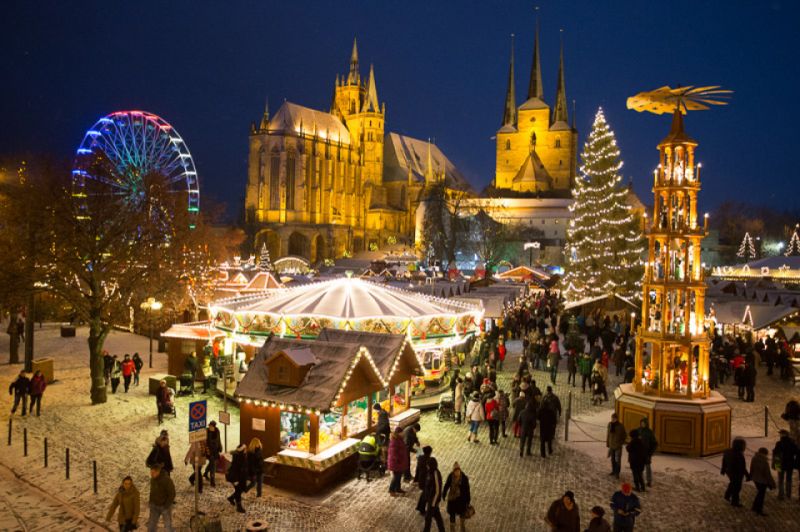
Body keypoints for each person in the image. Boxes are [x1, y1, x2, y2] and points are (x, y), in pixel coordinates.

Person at [442, 462, 470, 532]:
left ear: (460, 470)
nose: (457, 472)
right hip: (452, 500)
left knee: (462, 515)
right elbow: (446, 485)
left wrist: (468, 500)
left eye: (458, 471)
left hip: (461, 500)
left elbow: (467, 490)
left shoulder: (464, 478)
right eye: (455, 471)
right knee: (452, 515)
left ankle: (462, 529)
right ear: (453, 471)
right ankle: (452, 530)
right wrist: (444, 494)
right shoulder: (450, 476)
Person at [721, 437, 749, 507]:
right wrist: (747, 475)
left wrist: (723, 470)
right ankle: (735, 502)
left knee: (732, 483)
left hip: (729, 472)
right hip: (737, 473)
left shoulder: (727, 451)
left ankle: (727, 495)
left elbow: (724, 461)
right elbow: (742, 467)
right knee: (737, 488)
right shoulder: (739, 455)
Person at [146, 464, 175, 532]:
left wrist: (166, 505)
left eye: (153, 472)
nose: (151, 474)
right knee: (151, 525)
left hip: (164, 507)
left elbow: (172, 494)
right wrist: (151, 502)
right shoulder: (153, 479)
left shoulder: (166, 480)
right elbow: (152, 491)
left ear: (158, 471)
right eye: (151, 472)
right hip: (154, 506)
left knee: (168, 526)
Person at [773, 429, 798, 500]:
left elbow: (776, 454)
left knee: (781, 479)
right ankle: (788, 494)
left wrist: (776, 465)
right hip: (790, 463)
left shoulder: (779, 443)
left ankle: (781, 495)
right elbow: (796, 452)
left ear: (784, 434)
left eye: (780, 433)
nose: (780, 435)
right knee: (789, 479)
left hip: (780, 464)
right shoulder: (792, 443)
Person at [750, 446, 775, 516]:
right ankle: (758, 510)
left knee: (759, 494)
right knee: (761, 496)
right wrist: (772, 483)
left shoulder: (754, 458)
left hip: (755, 479)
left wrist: (750, 476)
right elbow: (767, 474)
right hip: (762, 481)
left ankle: (754, 507)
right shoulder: (765, 462)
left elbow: (751, 468)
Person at [422, 457, 445, 532]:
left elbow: (437, 490)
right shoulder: (430, 472)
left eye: (428, 465)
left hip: (433, 501)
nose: (427, 466)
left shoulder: (435, 474)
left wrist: (433, 503)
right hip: (430, 500)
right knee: (437, 516)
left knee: (428, 518)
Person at [226, 444, 249, 513]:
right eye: (245, 448)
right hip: (237, 478)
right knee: (238, 491)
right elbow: (236, 469)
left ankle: (231, 498)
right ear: (243, 450)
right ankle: (239, 507)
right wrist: (236, 480)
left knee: (239, 490)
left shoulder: (241, 456)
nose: (246, 450)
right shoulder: (239, 457)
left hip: (240, 478)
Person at [387, 427, 409, 495]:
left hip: (399, 462)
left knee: (399, 476)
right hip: (396, 463)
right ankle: (391, 490)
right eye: (402, 432)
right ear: (399, 433)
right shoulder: (394, 441)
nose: (403, 433)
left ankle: (398, 489)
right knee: (396, 477)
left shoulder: (399, 439)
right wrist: (398, 460)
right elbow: (394, 453)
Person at [637, 418, 657, 487]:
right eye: (641, 423)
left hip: (647, 453)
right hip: (639, 453)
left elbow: (654, 443)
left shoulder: (649, 432)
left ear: (646, 424)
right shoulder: (638, 430)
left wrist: (650, 452)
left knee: (648, 467)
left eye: (644, 423)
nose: (642, 424)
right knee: (640, 467)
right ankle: (640, 480)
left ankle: (649, 481)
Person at [606, 414, 626, 478]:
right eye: (612, 418)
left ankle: (617, 473)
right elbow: (608, 434)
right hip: (612, 445)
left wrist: (620, 443)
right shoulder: (610, 424)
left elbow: (624, 436)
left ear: (617, 419)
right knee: (612, 459)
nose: (612, 420)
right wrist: (608, 443)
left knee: (618, 460)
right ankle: (613, 471)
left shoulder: (621, 426)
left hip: (618, 446)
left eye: (614, 418)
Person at [204, 421, 222, 487]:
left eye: (211, 426)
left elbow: (219, 440)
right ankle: (212, 481)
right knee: (213, 466)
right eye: (209, 426)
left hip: (215, 450)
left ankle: (206, 473)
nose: (210, 427)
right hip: (209, 451)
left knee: (212, 463)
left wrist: (220, 447)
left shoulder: (217, 431)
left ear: (214, 426)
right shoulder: (206, 431)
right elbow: (205, 441)